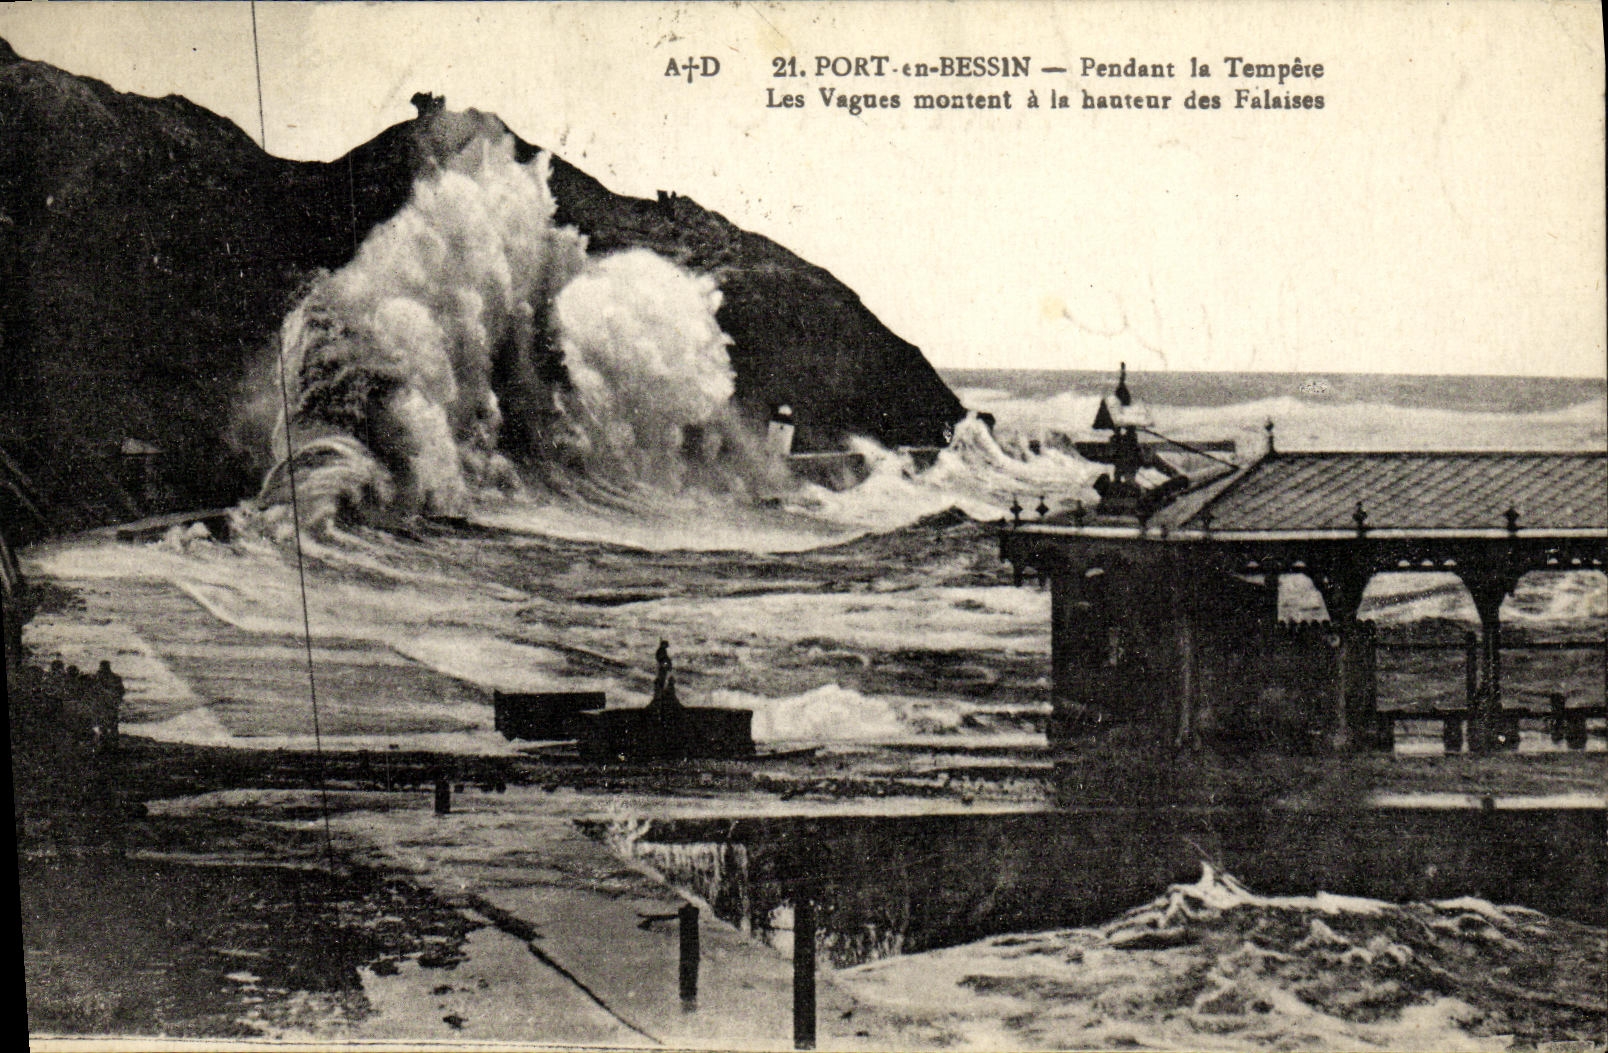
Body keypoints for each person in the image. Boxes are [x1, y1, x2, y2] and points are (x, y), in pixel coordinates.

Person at [651, 639, 680, 708]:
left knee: (663, 679)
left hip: (663, 667)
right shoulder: (661, 651)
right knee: (662, 679)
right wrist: (666, 664)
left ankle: (661, 690)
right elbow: (662, 659)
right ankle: (661, 691)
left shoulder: (662, 651)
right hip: (662, 668)